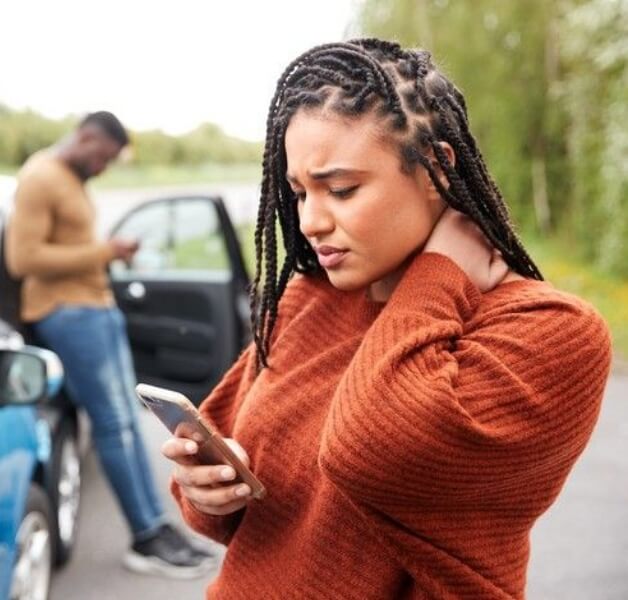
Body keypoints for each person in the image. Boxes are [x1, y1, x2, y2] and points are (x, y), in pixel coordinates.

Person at [162, 40, 612, 599]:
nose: (309, 222)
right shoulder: (308, 299)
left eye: (341, 189)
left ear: (435, 169)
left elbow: (371, 453)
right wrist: (206, 491)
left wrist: (438, 272)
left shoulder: (552, 331)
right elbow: (232, 499)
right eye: (299, 193)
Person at [6, 111, 215, 578]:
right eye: (101, 157)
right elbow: (23, 259)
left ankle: (159, 527)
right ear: (85, 138)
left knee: (126, 421)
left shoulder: (70, 178)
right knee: (114, 425)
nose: (102, 168)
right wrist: (106, 252)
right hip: (68, 313)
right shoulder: (41, 176)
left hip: (95, 310)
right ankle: (145, 538)